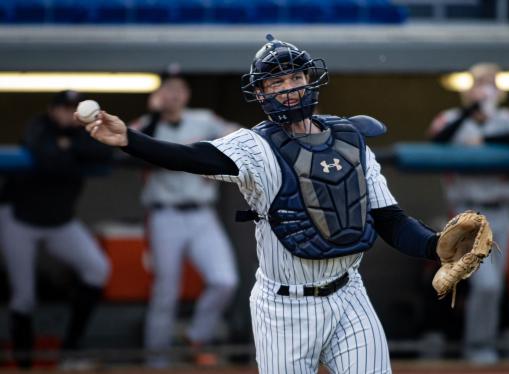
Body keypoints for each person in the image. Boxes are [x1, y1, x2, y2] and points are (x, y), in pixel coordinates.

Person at [79, 34, 444, 373]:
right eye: (276, 83)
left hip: (350, 293)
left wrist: (434, 245)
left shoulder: (351, 137)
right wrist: (130, 139)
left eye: (294, 78)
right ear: (261, 93)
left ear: (309, 79)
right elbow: (191, 157)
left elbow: (390, 220)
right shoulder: (253, 146)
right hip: (284, 308)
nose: (288, 89)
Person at [129, 67, 240, 366]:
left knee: (224, 280)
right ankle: (157, 362)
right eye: (167, 89)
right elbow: (129, 142)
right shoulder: (146, 124)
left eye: (178, 88)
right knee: (166, 291)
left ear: (187, 94)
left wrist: (217, 156)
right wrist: (153, 115)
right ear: (157, 95)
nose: (173, 94)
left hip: (202, 214)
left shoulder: (202, 119)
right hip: (165, 215)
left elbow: (238, 135)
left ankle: (197, 336)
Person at [428, 63, 509, 364]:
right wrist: (469, 111)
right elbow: (436, 138)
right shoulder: (452, 119)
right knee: (486, 284)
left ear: (500, 90)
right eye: (478, 83)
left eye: (490, 83)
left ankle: (480, 346)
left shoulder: (508, 120)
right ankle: (478, 348)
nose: (484, 88)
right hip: (467, 213)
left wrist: (486, 142)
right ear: (467, 89)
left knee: (494, 287)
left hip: (502, 211)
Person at [0, 90, 112, 368]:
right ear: (53, 110)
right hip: (19, 219)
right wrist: (72, 152)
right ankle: (22, 363)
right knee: (24, 296)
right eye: (64, 108)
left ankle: (70, 349)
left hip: (60, 222)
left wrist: (68, 146)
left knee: (97, 269)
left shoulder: (87, 132)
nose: (68, 113)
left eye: (73, 108)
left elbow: (104, 152)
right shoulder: (38, 125)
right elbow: (45, 156)